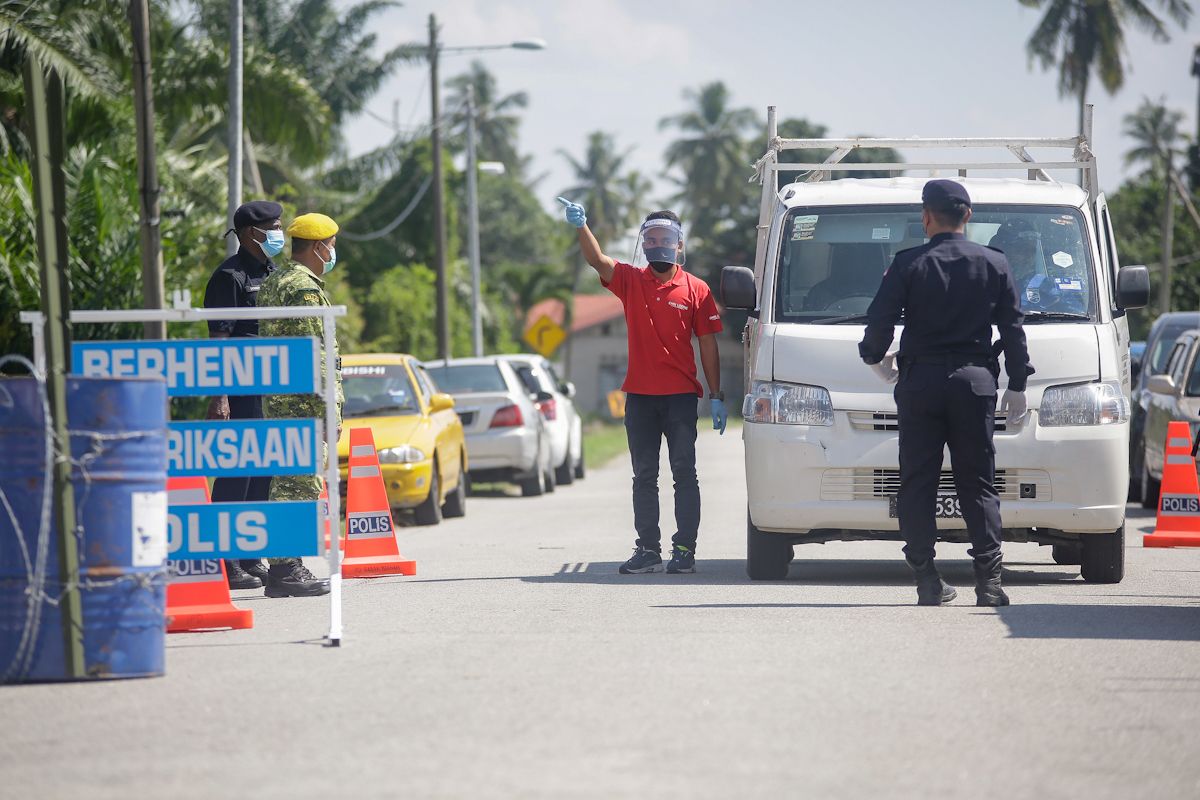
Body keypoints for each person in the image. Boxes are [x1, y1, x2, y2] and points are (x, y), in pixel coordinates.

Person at [858, 180, 1032, 607]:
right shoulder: (994, 262)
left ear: (926, 216)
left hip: (919, 383)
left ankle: (927, 581)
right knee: (978, 483)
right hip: (974, 383)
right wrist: (1019, 383)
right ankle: (989, 584)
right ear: (967, 216)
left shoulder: (908, 263)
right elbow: (1012, 328)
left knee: (918, 481)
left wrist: (875, 358)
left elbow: (880, 320)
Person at [557, 197, 725, 575]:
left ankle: (684, 549)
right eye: (650, 238)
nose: (656, 245)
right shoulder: (632, 281)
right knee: (644, 476)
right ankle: (648, 549)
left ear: (679, 244)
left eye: (665, 237)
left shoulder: (696, 289)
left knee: (684, 473)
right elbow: (598, 261)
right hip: (640, 398)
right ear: (644, 243)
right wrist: (581, 226)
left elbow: (709, 344)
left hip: (681, 398)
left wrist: (716, 396)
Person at [256, 212, 345, 598]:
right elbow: (317, 356)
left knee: (285, 483)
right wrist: (332, 409)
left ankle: (284, 566)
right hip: (302, 405)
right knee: (299, 486)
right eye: (331, 244)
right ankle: (285, 569)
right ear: (317, 247)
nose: (334, 250)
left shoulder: (276, 280)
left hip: (279, 400)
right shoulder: (304, 289)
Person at [203, 200, 284, 590]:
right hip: (240, 389)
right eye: (273, 227)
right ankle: (225, 560)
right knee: (238, 474)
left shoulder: (272, 272)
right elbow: (218, 340)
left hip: (271, 388)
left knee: (263, 475)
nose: (278, 233)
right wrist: (219, 397)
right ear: (252, 233)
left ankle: (251, 555)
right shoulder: (229, 277)